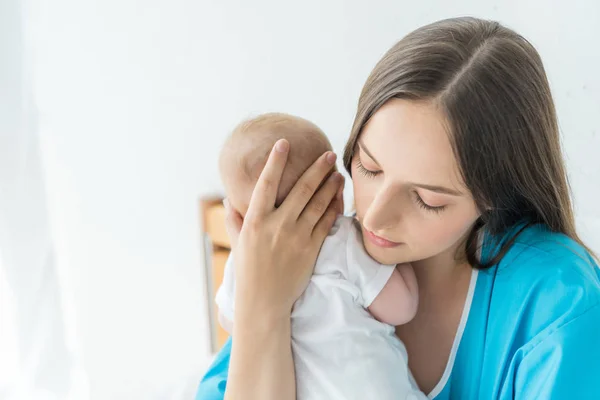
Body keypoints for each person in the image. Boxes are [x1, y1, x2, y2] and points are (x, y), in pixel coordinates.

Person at [197, 16, 600, 400]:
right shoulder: (296, 267)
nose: (373, 217)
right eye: (369, 168)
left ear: (494, 193)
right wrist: (261, 305)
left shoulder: (558, 304)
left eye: (428, 199)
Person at [215, 112, 424, 400]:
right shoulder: (345, 241)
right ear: (335, 192)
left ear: (240, 218)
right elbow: (401, 307)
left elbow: (228, 320)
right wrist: (400, 263)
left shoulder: (241, 264)